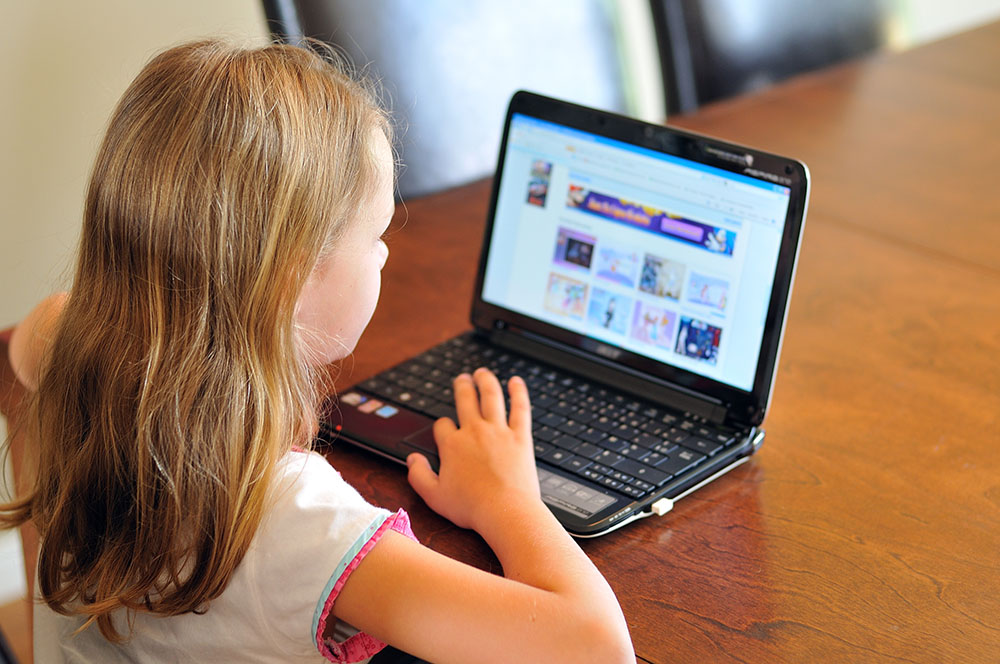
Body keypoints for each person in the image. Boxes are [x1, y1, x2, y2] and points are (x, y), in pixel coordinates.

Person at [1, 40, 634, 663]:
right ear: (291, 279)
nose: (386, 252)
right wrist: (508, 499)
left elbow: (18, 356)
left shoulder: (69, 339)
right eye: (377, 233)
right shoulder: (292, 520)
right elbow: (599, 648)